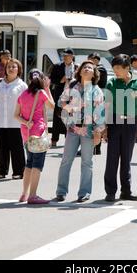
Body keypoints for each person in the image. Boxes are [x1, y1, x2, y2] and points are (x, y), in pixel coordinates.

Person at [55, 61, 105, 203]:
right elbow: (60, 102)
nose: (87, 69)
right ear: (80, 71)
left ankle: (84, 192)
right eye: (85, 67)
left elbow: (100, 112)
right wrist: (69, 107)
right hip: (72, 128)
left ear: (94, 73)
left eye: (90, 67)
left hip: (89, 130)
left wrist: (98, 132)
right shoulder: (72, 86)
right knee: (66, 160)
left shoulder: (97, 90)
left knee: (87, 162)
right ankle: (61, 191)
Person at [103, 54, 137, 202]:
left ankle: (126, 191)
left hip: (132, 123)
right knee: (112, 158)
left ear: (127, 67)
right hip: (115, 123)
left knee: (126, 158)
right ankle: (110, 192)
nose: (115, 71)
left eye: (117, 68)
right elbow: (107, 107)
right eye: (113, 68)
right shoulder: (112, 83)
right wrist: (105, 127)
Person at [14, 69, 55, 205]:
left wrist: (26, 122)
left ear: (29, 79)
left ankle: (24, 194)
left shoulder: (23, 94)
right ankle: (33, 195)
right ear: (42, 79)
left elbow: (16, 115)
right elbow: (52, 106)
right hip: (38, 133)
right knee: (37, 165)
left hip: (26, 133)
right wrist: (47, 88)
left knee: (29, 163)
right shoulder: (41, 93)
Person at [49, 48, 77, 147]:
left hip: (72, 94)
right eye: (64, 56)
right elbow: (52, 79)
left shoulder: (77, 67)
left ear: (72, 57)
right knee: (57, 116)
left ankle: (68, 139)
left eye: (67, 56)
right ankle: (54, 140)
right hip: (60, 93)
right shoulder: (57, 66)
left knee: (70, 117)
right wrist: (61, 80)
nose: (65, 57)